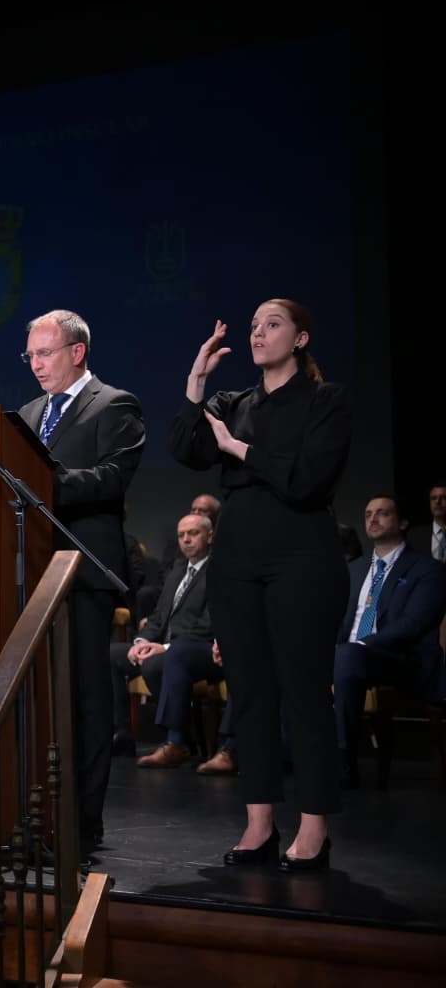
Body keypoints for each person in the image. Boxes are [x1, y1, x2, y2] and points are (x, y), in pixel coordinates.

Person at [170, 300, 351, 872]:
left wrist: (239, 450)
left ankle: (314, 829)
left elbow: (306, 481)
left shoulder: (326, 401)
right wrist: (197, 386)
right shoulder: (232, 403)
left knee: (303, 694)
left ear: (300, 338)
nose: (258, 333)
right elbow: (186, 449)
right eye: (253, 326)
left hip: (303, 557)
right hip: (239, 562)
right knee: (248, 693)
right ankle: (259, 826)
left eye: (272, 324)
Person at [18, 308, 145, 854]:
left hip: (83, 573)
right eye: (30, 355)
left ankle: (82, 823)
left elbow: (113, 477)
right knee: (37, 704)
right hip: (29, 575)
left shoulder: (115, 405)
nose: (36, 365)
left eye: (45, 354)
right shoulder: (26, 412)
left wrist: (44, 484)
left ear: (77, 352)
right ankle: (33, 817)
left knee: (86, 703)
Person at [332, 493, 446, 787]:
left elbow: (413, 625)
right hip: (349, 655)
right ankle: (287, 754)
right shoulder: (354, 570)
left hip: (400, 660)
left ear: (403, 523)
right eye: (369, 514)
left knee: (347, 656)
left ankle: (343, 762)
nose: (373, 519)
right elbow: (336, 622)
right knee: (294, 657)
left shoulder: (428, 570)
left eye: (382, 513)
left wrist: (360, 646)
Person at [106, 513, 216, 768]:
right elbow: (158, 616)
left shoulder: (218, 570)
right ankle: (122, 734)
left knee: (157, 663)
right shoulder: (178, 570)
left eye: (193, 533)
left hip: (194, 648)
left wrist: (163, 647)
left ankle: (175, 740)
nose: (186, 540)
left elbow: (209, 625)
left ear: (210, 537)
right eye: (181, 535)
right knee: (112, 654)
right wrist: (141, 642)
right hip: (162, 646)